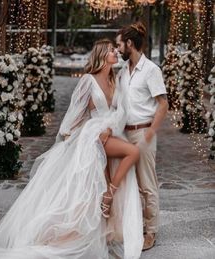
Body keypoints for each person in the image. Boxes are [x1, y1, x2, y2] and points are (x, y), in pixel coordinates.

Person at [0, 39, 143, 259]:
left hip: (109, 132)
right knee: (130, 154)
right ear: (102, 55)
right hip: (92, 134)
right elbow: (74, 115)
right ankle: (98, 208)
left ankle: (105, 216)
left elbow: (120, 112)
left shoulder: (115, 80)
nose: (116, 52)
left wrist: (110, 126)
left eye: (115, 49)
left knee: (112, 171)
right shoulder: (87, 80)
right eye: (112, 50)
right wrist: (79, 134)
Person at [116, 23, 169, 251]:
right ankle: (134, 227)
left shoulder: (151, 70)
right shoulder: (122, 70)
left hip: (143, 132)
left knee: (147, 184)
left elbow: (163, 104)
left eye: (120, 44)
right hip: (124, 134)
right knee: (130, 185)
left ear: (130, 43)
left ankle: (151, 231)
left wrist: (150, 133)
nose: (118, 49)